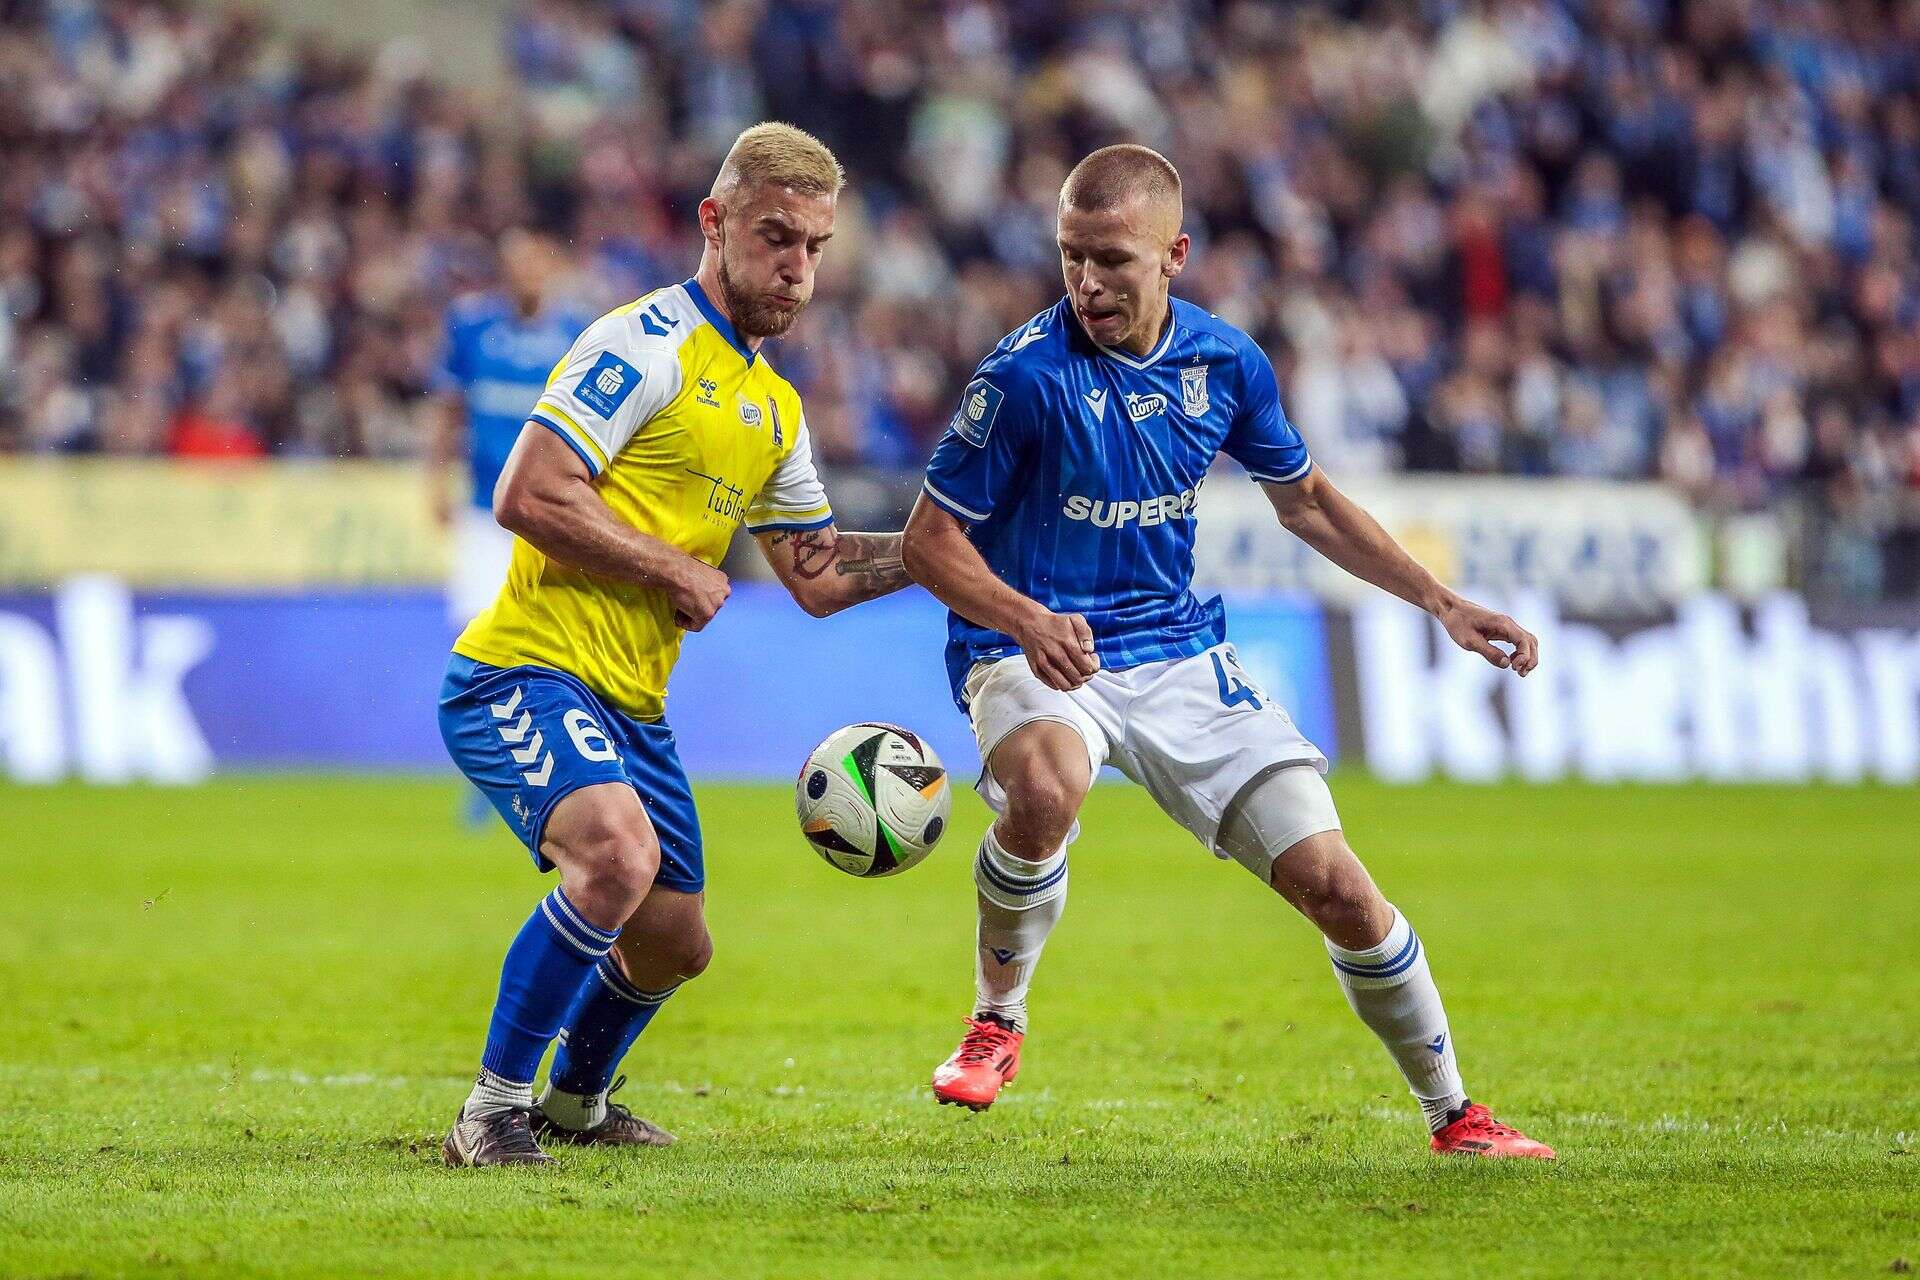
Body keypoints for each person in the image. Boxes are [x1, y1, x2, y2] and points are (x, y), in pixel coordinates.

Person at [902, 144, 1554, 1159]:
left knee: (1340, 886)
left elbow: (1307, 503)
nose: (1086, 281)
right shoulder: (1023, 376)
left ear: (1175, 253)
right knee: (1047, 786)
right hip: (1029, 642)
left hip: (1173, 651)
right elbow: (928, 541)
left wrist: (1439, 599)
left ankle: (1454, 1111)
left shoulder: (1227, 365)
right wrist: (1025, 617)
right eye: (1071, 256)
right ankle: (997, 1018)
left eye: (1112, 258)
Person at [437, 122, 911, 1166]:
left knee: (674, 941)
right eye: (776, 236)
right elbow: (527, 492)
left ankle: (575, 1104)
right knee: (615, 855)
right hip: (524, 664)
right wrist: (671, 565)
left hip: (632, 705)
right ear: (715, 221)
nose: (796, 267)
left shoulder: (773, 408)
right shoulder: (639, 342)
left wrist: (943, 542)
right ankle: (489, 1107)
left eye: (815, 247)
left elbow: (818, 575)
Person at [429, 227, 592, 629]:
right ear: (503, 271)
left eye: (534, 264)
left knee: (542, 635)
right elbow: (449, 410)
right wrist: (435, 481)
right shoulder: (471, 328)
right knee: (476, 631)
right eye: (517, 265)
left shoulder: (577, 335)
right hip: (485, 507)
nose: (526, 274)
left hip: (550, 512)